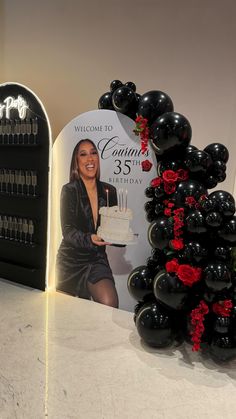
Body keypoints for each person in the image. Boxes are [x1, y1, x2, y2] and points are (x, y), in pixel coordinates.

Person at [56, 139, 119, 308]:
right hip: (70, 261)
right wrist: (90, 238)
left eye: (93, 153)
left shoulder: (109, 191)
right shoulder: (69, 190)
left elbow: (114, 231)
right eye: (83, 154)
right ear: (76, 161)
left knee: (109, 303)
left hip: (96, 259)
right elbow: (68, 231)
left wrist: (122, 235)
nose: (90, 159)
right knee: (64, 317)